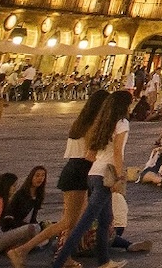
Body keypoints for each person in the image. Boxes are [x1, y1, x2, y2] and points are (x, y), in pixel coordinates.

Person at [9, 90, 110, 268]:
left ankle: (65, 256)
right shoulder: (92, 125)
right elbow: (89, 155)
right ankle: (22, 250)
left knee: (73, 220)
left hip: (74, 170)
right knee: (68, 221)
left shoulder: (79, 123)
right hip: (79, 172)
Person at [47, 90, 132, 268]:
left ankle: (104, 261)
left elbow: (89, 155)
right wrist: (119, 175)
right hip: (105, 177)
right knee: (83, 224)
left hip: (93, 174)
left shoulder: (102, 123)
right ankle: (60, 262)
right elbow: (117, 151)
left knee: (105, 220)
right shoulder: (122, 123)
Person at [5, 166, 47, 230]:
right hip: (16, 227)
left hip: (29, 227)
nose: (40, 178)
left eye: (43, 175)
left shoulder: (38, 196)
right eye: (37, 175)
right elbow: (10, 216)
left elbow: (33, 218)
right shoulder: (21, 194)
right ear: (31, 177)